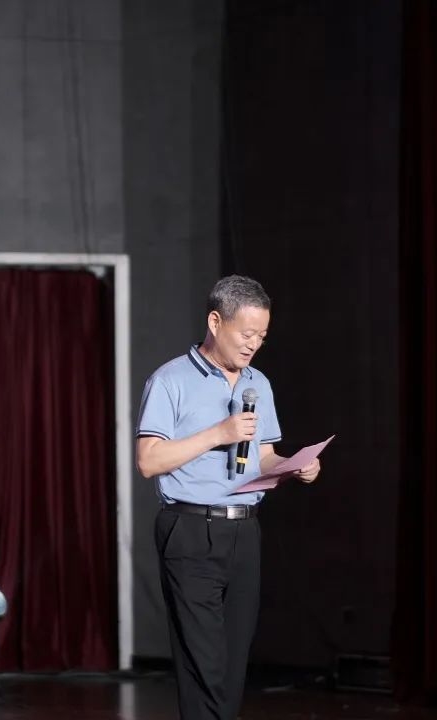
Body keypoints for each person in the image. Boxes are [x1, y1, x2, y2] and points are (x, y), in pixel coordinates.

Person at [135, 275, 320, 720]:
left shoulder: (259, 384)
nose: (254, 344)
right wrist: (219, 433)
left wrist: (296, 466)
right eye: (246, 333)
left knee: (234, 663)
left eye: (262, 336)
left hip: (244, 532)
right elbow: (149, 460)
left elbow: (265, 457)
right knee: (204, 662)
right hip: (190, 529)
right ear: (216, 322)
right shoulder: (170, 380)